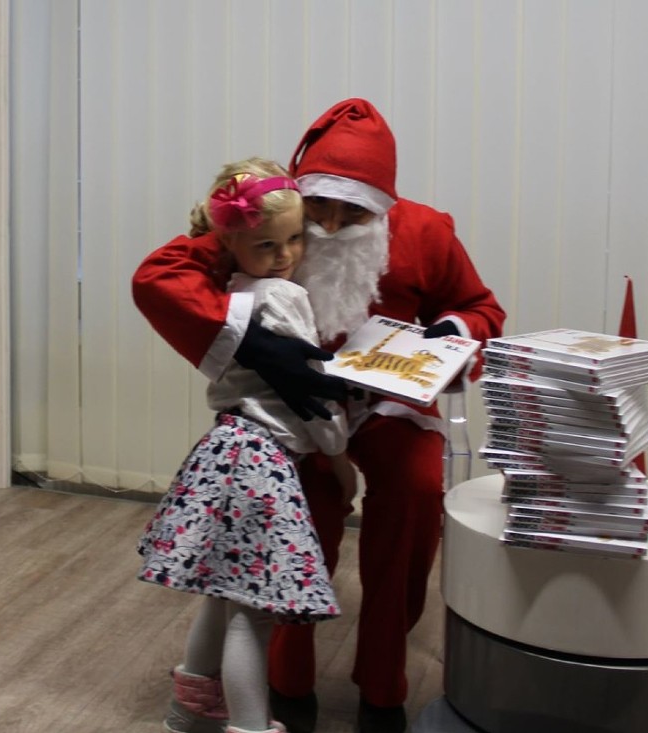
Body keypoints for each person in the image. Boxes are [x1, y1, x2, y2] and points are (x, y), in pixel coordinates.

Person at [133, 98, 507, 733]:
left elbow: (480, 308)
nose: (330, 226)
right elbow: (162, 275)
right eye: (319, 209)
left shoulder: (425, 231)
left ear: (383, 203)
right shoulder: (271, 221)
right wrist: (252, 344)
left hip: (387, 404)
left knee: (415, 493)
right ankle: (287, 678)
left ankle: (383, 677)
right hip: (292, 414)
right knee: (300, 519)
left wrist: (446, 333)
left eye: (352, 211)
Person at [136, 158, 357, 733]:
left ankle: (189, 708)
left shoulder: (229, 293)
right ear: (228, 240)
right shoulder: (285, 301)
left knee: (222, 593)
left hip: (227, 450)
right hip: (264, 461)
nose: (285, 255)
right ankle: (251, 727)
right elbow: (316, 403)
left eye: (293, 240)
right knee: (254, 615)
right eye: (267, 243)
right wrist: (339, 458)